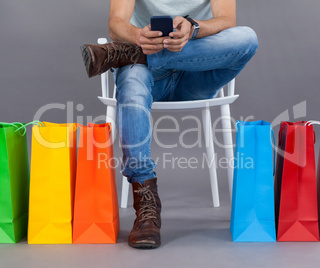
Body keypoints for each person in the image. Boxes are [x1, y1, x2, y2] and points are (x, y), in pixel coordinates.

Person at [80, 0, 258, 249]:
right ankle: (146, 204)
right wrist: (137, 35)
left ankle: (130, 54)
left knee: (246, 38)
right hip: (149, 75)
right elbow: (116, 23)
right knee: (131, 82)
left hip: (197, 71)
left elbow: (227, 21)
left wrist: (193, 28)